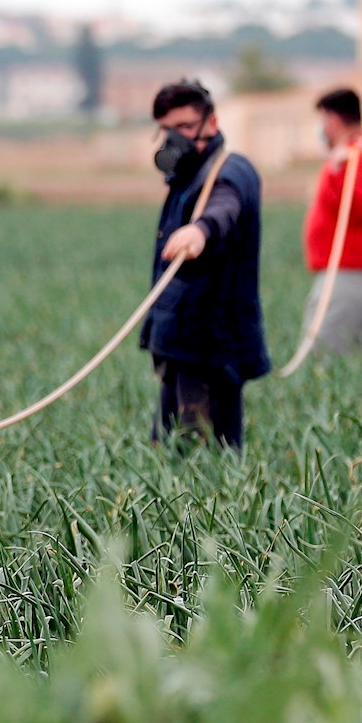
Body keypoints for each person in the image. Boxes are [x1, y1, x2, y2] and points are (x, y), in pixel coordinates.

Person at [138, 79, 269, 449]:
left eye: (183, 127)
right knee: (167, 449)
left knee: (206, 461)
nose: (173, 138)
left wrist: (200, 232)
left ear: (211, 123)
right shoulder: (185, 175)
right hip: (178, 339)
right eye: (166, 130)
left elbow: (224, 208)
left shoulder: (231, 171)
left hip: (212, 346)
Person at [303, 88, 362, 358]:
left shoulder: (357, 156)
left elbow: (360, 207)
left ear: (333, 121)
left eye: (323, 121)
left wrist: (336, 173)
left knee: (321, 356)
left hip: (352, 274)